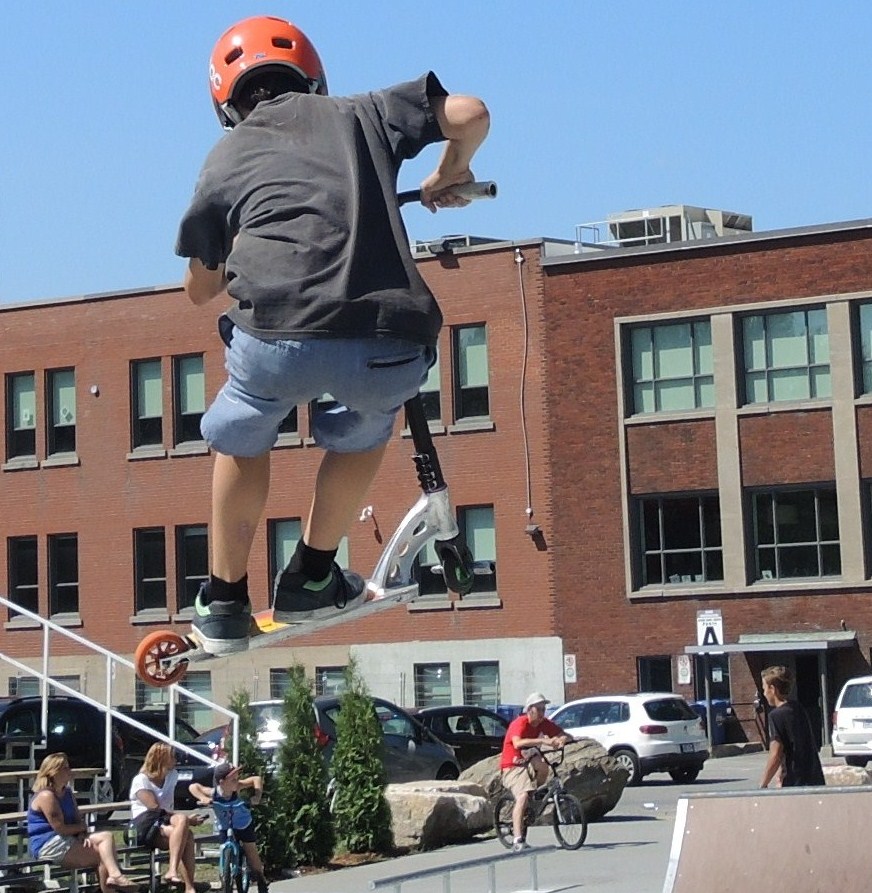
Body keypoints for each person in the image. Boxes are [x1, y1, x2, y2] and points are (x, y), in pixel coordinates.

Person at [174, 15, 491, 656]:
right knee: (369, 426)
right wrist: (447, 173)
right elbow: (470, 112)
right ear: (314, 78)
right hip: (387, 339)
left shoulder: (225, 157)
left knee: (242, 433)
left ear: (224, 103)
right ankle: (315, 574)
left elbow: (201, 288)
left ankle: (225, 597)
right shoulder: (365, 112)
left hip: (274, 337)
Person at [26, 753, 136, 892]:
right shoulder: (46, 796)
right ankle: (113, 880)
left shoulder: (67, 793)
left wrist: (82, 833)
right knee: (102, 855)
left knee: (107, 837)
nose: (69, 771)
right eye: (65, 768)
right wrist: (81, 828)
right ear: (53, 772)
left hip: (68, 838)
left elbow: (78, 820)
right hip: (48, 844)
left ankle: (114, 876)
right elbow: (60, 828)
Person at [499, 692, 573, 852]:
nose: (542, 713)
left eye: (543, 709)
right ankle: (518, 840)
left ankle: (532, 798)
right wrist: (543, 740)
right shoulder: (520, 723)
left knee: (544, 766)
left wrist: (562, 739)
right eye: (538, 709)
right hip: (512, 766)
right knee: (523, 795)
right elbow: (518, 743)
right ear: (529, 710)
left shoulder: (543, 723)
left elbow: (565, 734)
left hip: (529, 762)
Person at [130, 742, 204, 893]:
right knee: (186, 833)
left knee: (184, 828)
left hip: (164, 821)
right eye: (172, 756)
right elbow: (154, 808)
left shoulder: (172, 776)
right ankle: (179, 878)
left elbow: (167, 810)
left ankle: (186, 884)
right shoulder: (141, 780)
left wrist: (183, 819)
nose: (175, 759)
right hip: (146, 825)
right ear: (161, 758)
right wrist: (188, 820)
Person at [189, 763, 267, 893]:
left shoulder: (237, 787)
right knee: (223, 847)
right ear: (222, 782)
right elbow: (193, 786)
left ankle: (261, 880)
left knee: (251, 851)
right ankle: (225, 874)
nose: (237, 781)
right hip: (225, 826)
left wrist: (256, 796)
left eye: (237, 778)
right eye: (233, 779)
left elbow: (256, 779)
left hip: (243, 824)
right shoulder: (214, 793)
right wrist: (202, 797)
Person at [757, 666, 825, 789]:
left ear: (772, 689)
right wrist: (780, 773)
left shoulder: (776, 716)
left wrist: (763, 783)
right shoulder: (797, 708)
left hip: (794, 782)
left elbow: (776, 754)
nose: (764, 693)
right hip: (814, 778)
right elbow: (794, 745)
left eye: (764, 688)